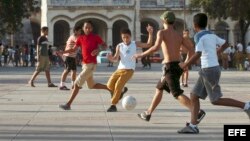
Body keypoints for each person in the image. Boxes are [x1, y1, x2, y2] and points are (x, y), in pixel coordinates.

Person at [178, 13, 250, 134]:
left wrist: (184, 65)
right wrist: (216, 52)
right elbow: (226, 44)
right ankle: (193, 125)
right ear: (205, 24)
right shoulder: (211, 34)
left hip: (209, 70)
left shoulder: (198, 36)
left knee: (215, 100)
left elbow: (198, 53)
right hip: (210, 69)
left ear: (195, 25)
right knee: (194, 96)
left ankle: (246, 105)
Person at [133, 11, 206, 123]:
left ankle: (197, 112)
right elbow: (192, 49)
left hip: (169, 67)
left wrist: (141, 55)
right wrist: (186, 63)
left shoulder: (161, 32)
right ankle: (148, 113)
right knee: (159, 88)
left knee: (176, 93)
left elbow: (156, 47)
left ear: (164, 21)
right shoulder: (179, 35)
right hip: (177, 66)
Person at [58, 21, 119, 110]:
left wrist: (98, 50)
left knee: (76, 84)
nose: (88, 29)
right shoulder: (80, 38)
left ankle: (68, 104)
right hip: (85, 64)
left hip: (91, 65)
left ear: (92, 28)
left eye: (89, 27)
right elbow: (73, 50)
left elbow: (104, 46)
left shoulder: (95, 37)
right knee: (91, 85)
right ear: (83, 28)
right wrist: (62, 52)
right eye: (86, 27)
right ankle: (112, 89)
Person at [106, 26, 153, 112]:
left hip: (129, 70)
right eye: (123, 37)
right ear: (121, 37)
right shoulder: (119, 46)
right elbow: (116, 59)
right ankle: (122, 91)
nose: (125, 39)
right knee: (109, 85)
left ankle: (113, 105)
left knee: (118, 85)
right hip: (119, 69)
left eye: (127, 37)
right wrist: (110, 58)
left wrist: (150, 33)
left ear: (130, 36)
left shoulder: (135, 44)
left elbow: (148, 44)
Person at [59, 25, 82, 90]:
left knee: (74, 71)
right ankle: (62, 85)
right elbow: (77, 45)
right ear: (75, 31)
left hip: (72, 56)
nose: (80, 32)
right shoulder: (74, 37)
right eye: (79, 31)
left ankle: (73, 85)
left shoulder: (74, 37)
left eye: (81, 31)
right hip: (68, 56)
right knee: (66, 70)